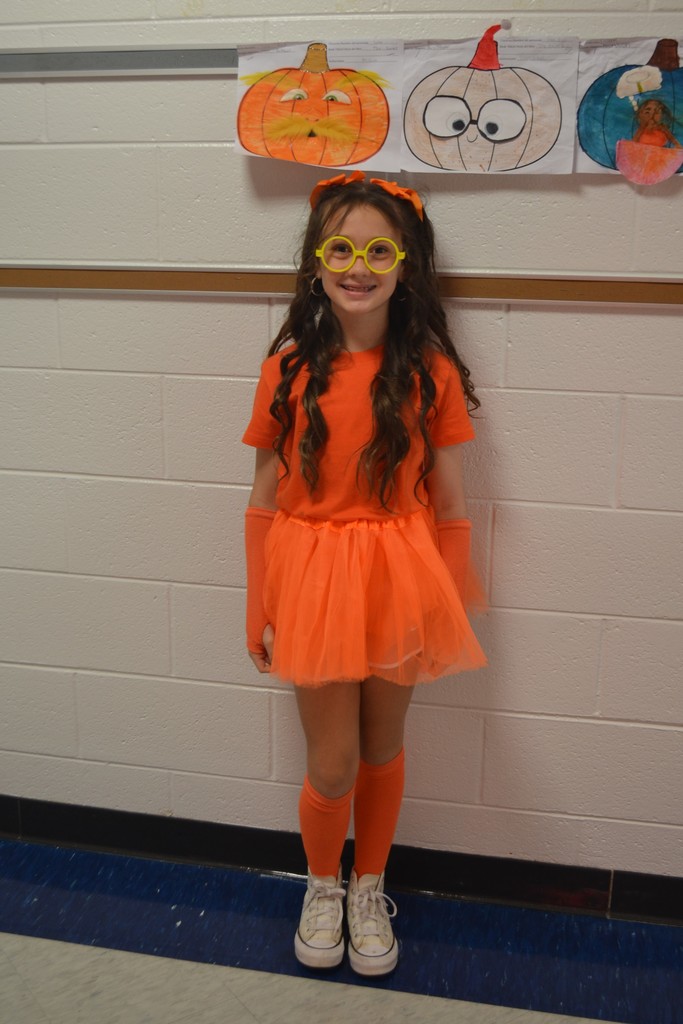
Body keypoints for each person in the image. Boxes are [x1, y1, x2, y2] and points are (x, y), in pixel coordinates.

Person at [242, 171, 486, 977]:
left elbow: (449, 503)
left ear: (406, 265)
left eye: (378, 249)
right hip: (311, 574)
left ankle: (368, 885)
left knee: (383, 748)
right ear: (315, 261)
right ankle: (321, 883)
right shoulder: (286, 369)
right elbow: (262, 498)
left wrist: (443, 595)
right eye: (339, 246)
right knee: (333, 761)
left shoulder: (428, 373)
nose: (357, 265)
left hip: (399, 574)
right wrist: (259, 601)